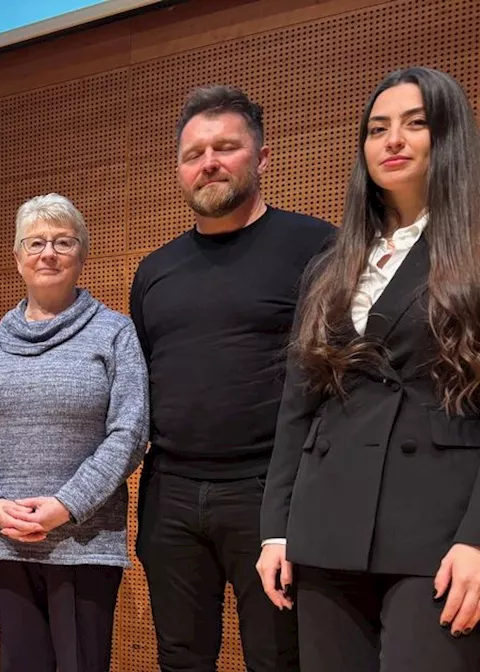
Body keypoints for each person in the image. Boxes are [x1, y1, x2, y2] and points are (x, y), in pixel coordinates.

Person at [257, 66, 480, 670]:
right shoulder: (334, 262)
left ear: (451, 137)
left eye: (415, 124)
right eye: (378, 128)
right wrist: (276, 529)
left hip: (436, 529)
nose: (393, 140)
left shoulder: (474, 250)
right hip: (327, 524)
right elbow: (297, 409)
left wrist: (477, 538)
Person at [129, 85, 335, 671]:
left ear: (263, 158)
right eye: (194, 153)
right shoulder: (155, 269)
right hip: (169, 491)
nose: (209, 163)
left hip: (272, 492)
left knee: (279, 659)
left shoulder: (318, 247)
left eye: (226, 147)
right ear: (179, 170)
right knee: (180, 657)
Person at [0, 193, 149, 672]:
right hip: (7, 537)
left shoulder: (114, 333)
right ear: (17, 258)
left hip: (83, 543)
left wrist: (65, 506)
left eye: (63, 242)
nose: (48, 253)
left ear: (82, 255)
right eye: (35, 242)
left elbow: (130, 432)